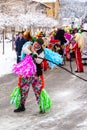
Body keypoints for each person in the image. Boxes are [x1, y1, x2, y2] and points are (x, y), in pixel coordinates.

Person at [13, 38, 45, 113]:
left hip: (36, 74)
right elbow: (24, 49)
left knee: (38, 90)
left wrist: (35, 53)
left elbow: (39, 61)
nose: (35, 45)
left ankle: (41, 106)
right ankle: (22, 106)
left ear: (40, 46)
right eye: (35, 43)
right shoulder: (29, 45)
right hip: (26, 73)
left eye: (37, 45)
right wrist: (31, 53)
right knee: (23, 89)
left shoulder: (42, 52)